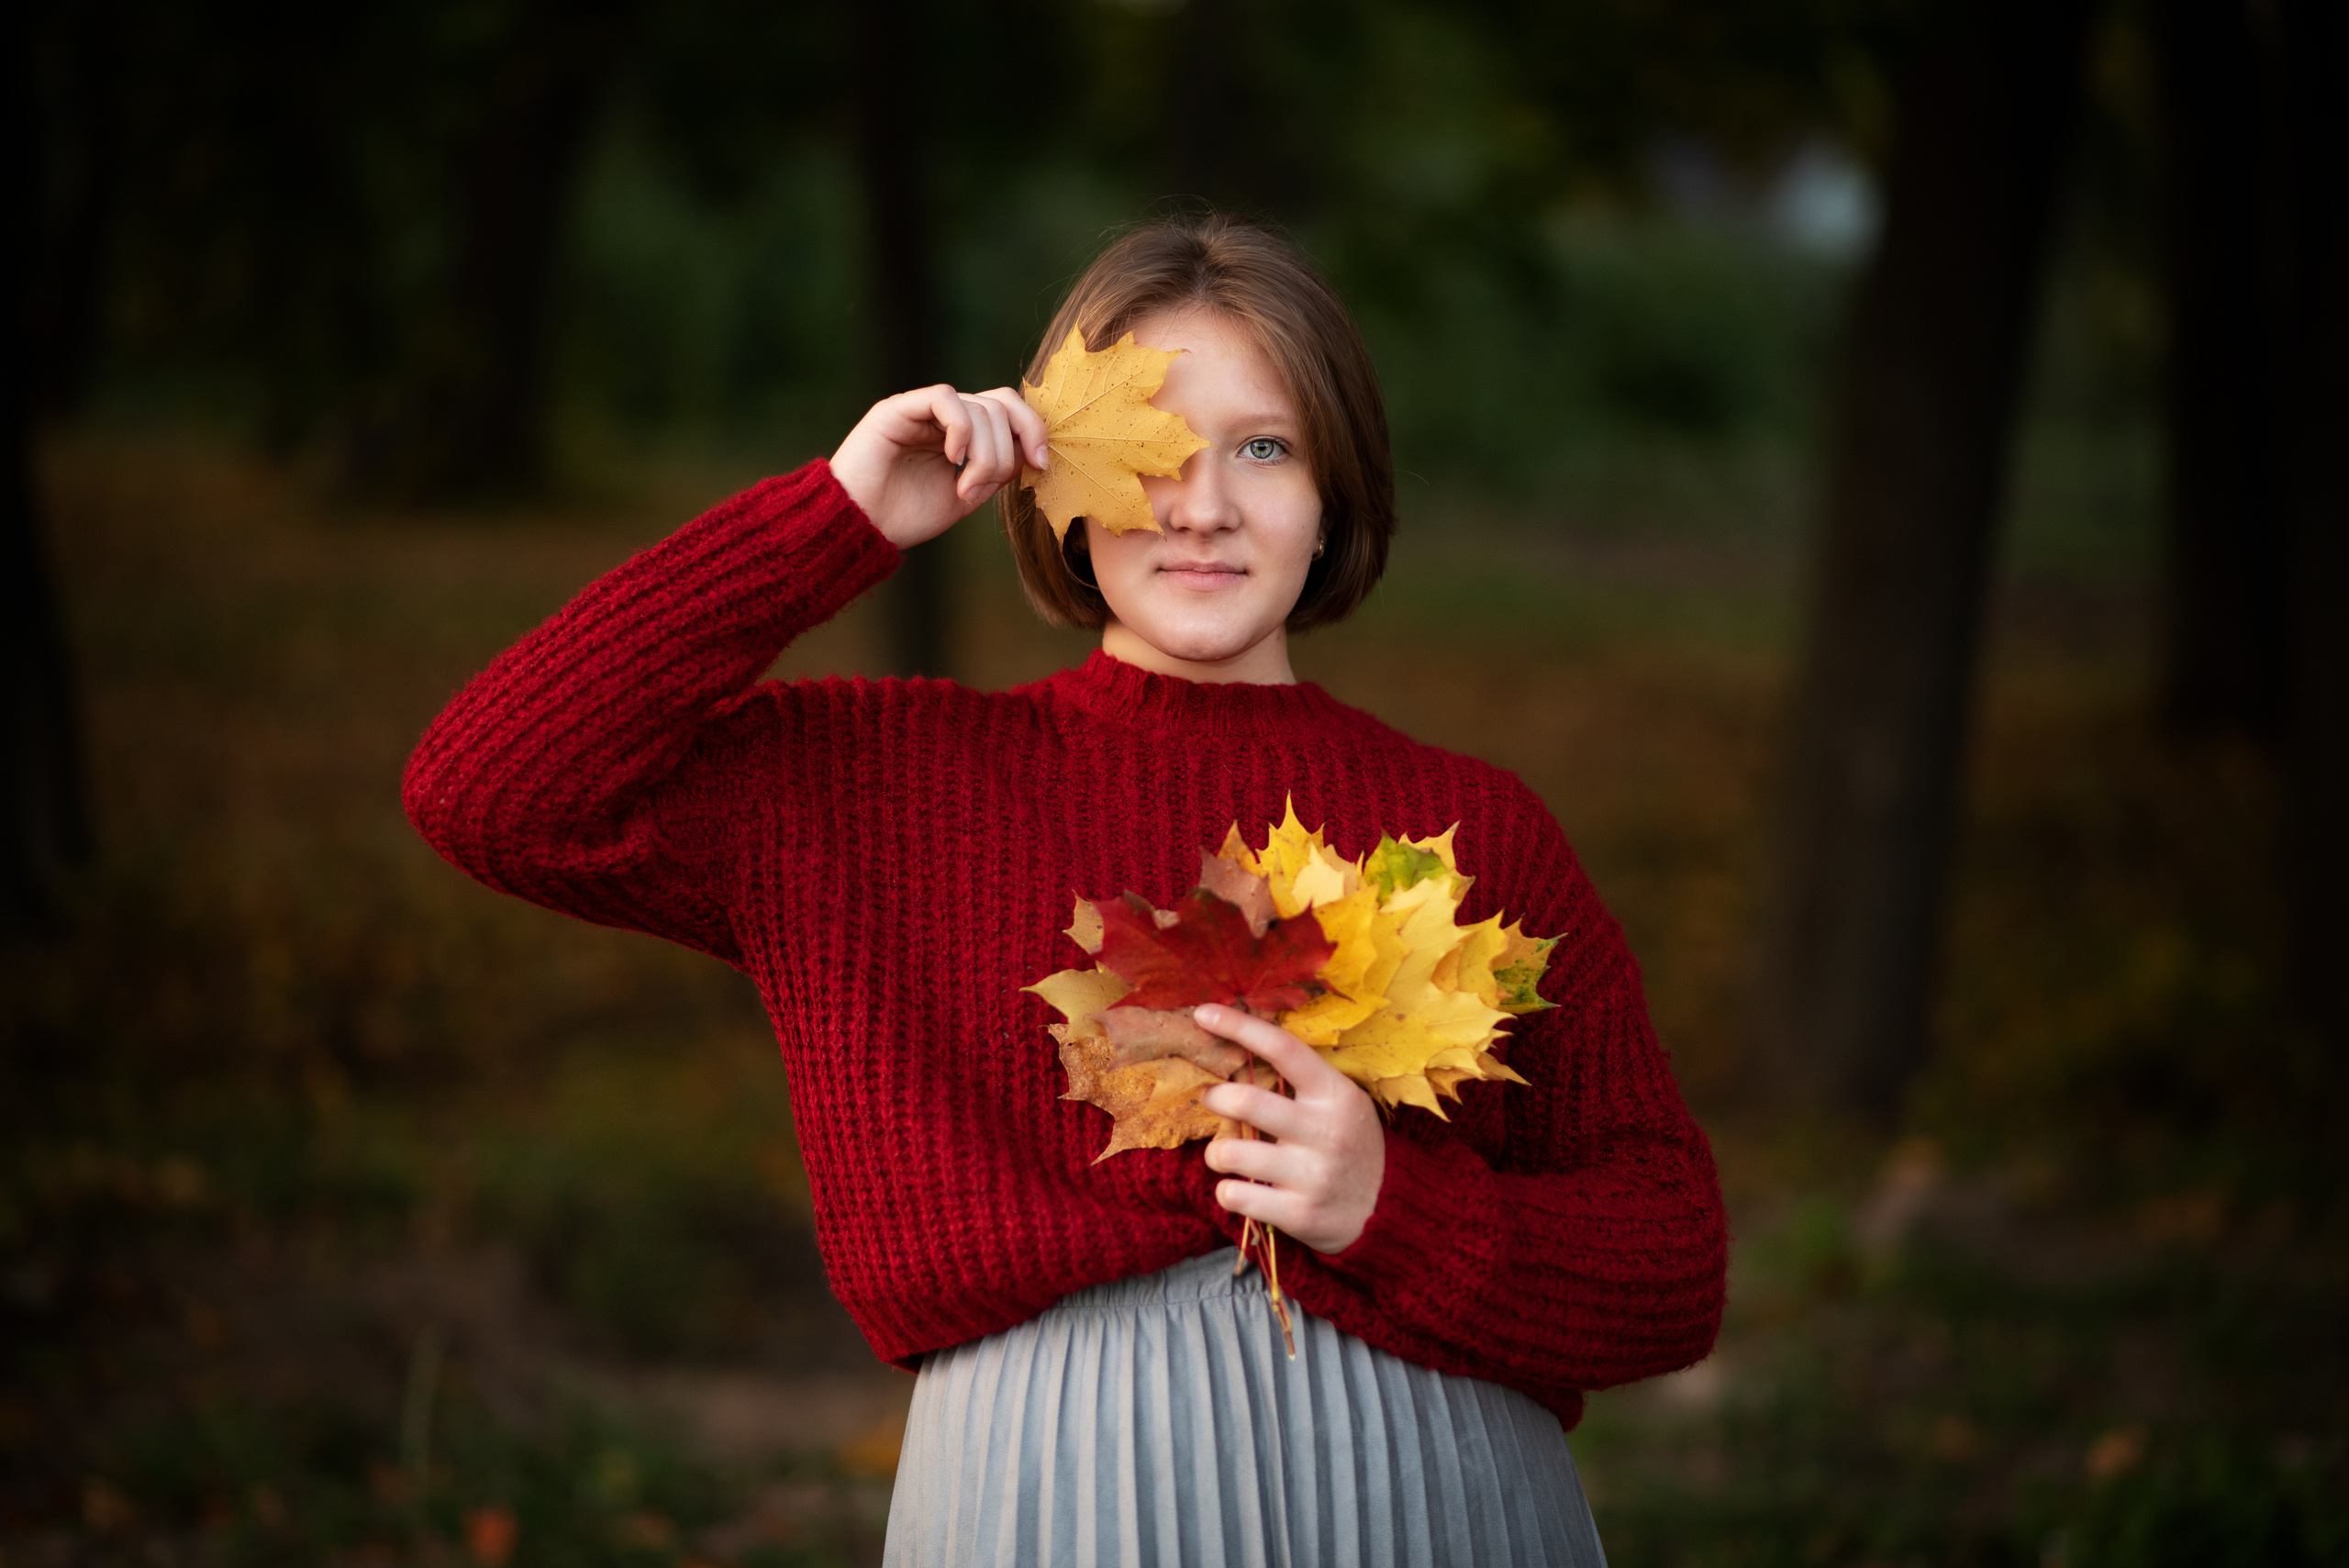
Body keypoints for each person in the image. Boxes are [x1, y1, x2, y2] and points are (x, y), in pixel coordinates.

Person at [405, 213, 1726, 1566]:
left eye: (1264, 447)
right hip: (1055, 1490)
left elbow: (1673, 1265)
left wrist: (1400, 1210)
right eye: (1147, 449)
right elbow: (493, 788)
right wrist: (837, 515)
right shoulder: (881, 789)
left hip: (1438, 1493)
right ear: (1050, 477)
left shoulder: (1474, 829)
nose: (1202, 503)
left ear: (1337, 489)